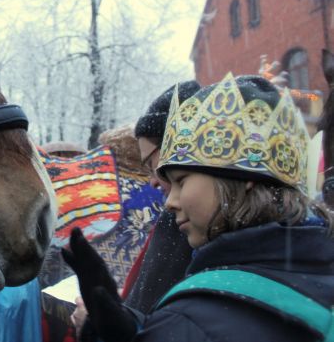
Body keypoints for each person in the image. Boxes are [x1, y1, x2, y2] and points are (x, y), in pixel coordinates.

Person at [64, 73, 334, 342]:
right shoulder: (313, 261)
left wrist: (100, 332)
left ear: (243, 177)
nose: (169, 201)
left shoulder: (193, 318)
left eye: (181, 180)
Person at [69, 80, 200, 337]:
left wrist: (104, 322)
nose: (151, 180)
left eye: (152, 165)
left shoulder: (187, 223)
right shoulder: (181, 218)